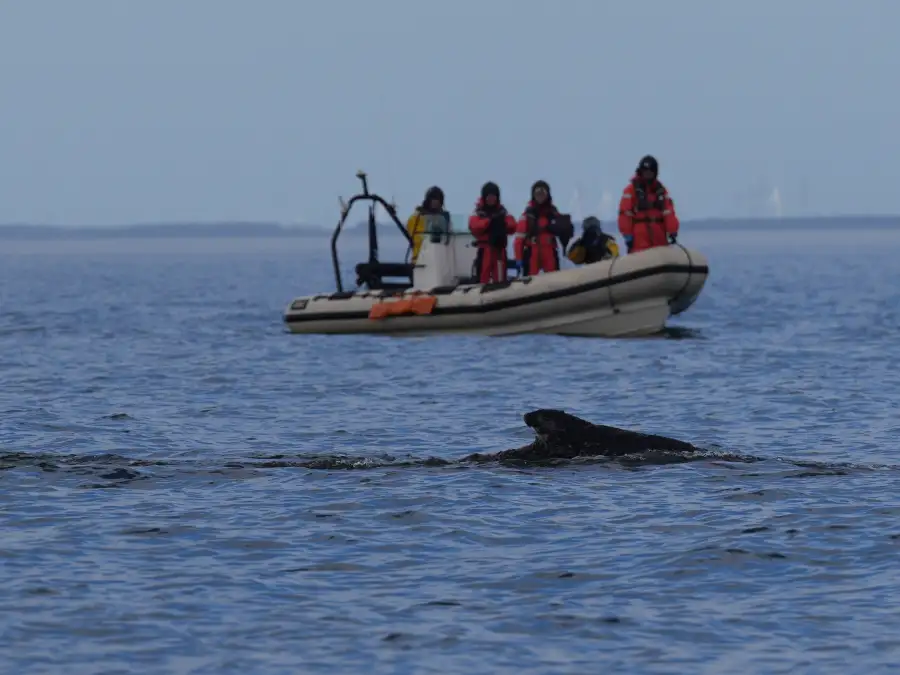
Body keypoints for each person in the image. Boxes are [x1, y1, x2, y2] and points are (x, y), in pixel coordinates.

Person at [617, 155, 680, 253]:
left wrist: (672, 230)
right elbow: (625, 213)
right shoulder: (631, 190)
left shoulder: (661, 191)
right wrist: (627, 235)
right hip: (640, 237)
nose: (648, 175)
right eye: (645, 172)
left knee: (661, 254)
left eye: (650, 172)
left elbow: (669, 212)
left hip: (659, 235)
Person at [514, 180, 574, 276]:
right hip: (532, 251)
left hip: (549, 250)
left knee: (553, 279)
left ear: (547, 195)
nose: (540, 196)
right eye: (537, 194)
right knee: (530, 280)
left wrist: (567, 230)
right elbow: (519, 240)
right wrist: (519, 258)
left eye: (542, 194)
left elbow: (564, 230)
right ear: (533, 195)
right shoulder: (527, 215)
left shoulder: (553, 213)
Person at [468, 182, 517, 284]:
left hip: (499, 250)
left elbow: (513, 226)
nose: (491, 199)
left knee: (500, 278)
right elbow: (474, 226)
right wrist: (490, 222)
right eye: (489, 196)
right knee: (483, 277)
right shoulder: (478, 212)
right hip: (485, 250)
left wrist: (502, 223)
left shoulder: (503, 212)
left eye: (493, 196)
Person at [406, 185, 451, 263]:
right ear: (428, 200)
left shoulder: (443, 219)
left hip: (439, 261)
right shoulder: (416, 218)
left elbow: (448, 239)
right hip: (420, 262)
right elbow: (417, 240)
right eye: (433, 198)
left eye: (438, 199)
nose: (436, 202)